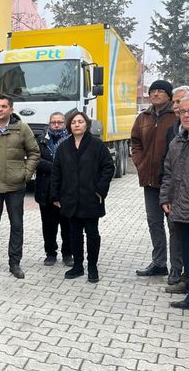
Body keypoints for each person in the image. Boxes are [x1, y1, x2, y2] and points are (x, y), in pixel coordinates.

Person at [0, 94, 40, 279]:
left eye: (4, 106)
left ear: (11, 109)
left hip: (15, 185)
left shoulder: (22, 128)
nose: (0, 109)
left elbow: (34, 152)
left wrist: (25, 174)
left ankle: (15, 263)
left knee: (17, 225)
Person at [51, 111, 114, 283]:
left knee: (92, 234)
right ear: (69, 126)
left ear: (86, 124)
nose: (77, 125)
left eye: (80, 122)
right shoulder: (63, 147)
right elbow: (56, 172)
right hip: (70, 198)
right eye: (73, 122)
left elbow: (108, 168)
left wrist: (100, 190)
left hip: (91, 197)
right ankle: (77, 265)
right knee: (74, 234)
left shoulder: (97, 145)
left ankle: (92, 266)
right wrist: (55, 194)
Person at [160, 95, 189, 324]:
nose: (186, 115)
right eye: (182, 111)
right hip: (181, 209)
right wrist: (165, 198)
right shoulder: (177, 141)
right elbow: (168, 173)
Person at [132, 80, 177, 279]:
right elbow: (135, 141)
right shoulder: (143, 117)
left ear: (169, 95)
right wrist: (140, 163)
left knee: (174, 224)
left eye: (161, 91)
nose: (156, 94)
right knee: (154, 222)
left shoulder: (176, 116)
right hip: (149, 180)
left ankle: (178, 267)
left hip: (172, 182)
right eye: (153, 91)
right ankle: (159, 263)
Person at [163, 85, 189, 294]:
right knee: (180, 239)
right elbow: (168, 167)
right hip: (177, 198)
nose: (177, 108)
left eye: (181, 104)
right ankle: (184, 280)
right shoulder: (175, 132)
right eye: (176, 104)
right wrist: (165, 195)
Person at [35, 112, 72, 267]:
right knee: (48, 226)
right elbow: (36, 160)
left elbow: (73, 163)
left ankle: (67, 254)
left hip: (66, 191)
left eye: (60, 122)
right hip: (46, 190)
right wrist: (57, 167)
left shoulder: (71, 141)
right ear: (49, 124)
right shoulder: (41, 140)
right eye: (53, 122)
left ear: (65, 124)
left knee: (67, 225)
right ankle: (50, 254)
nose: (56, 125)